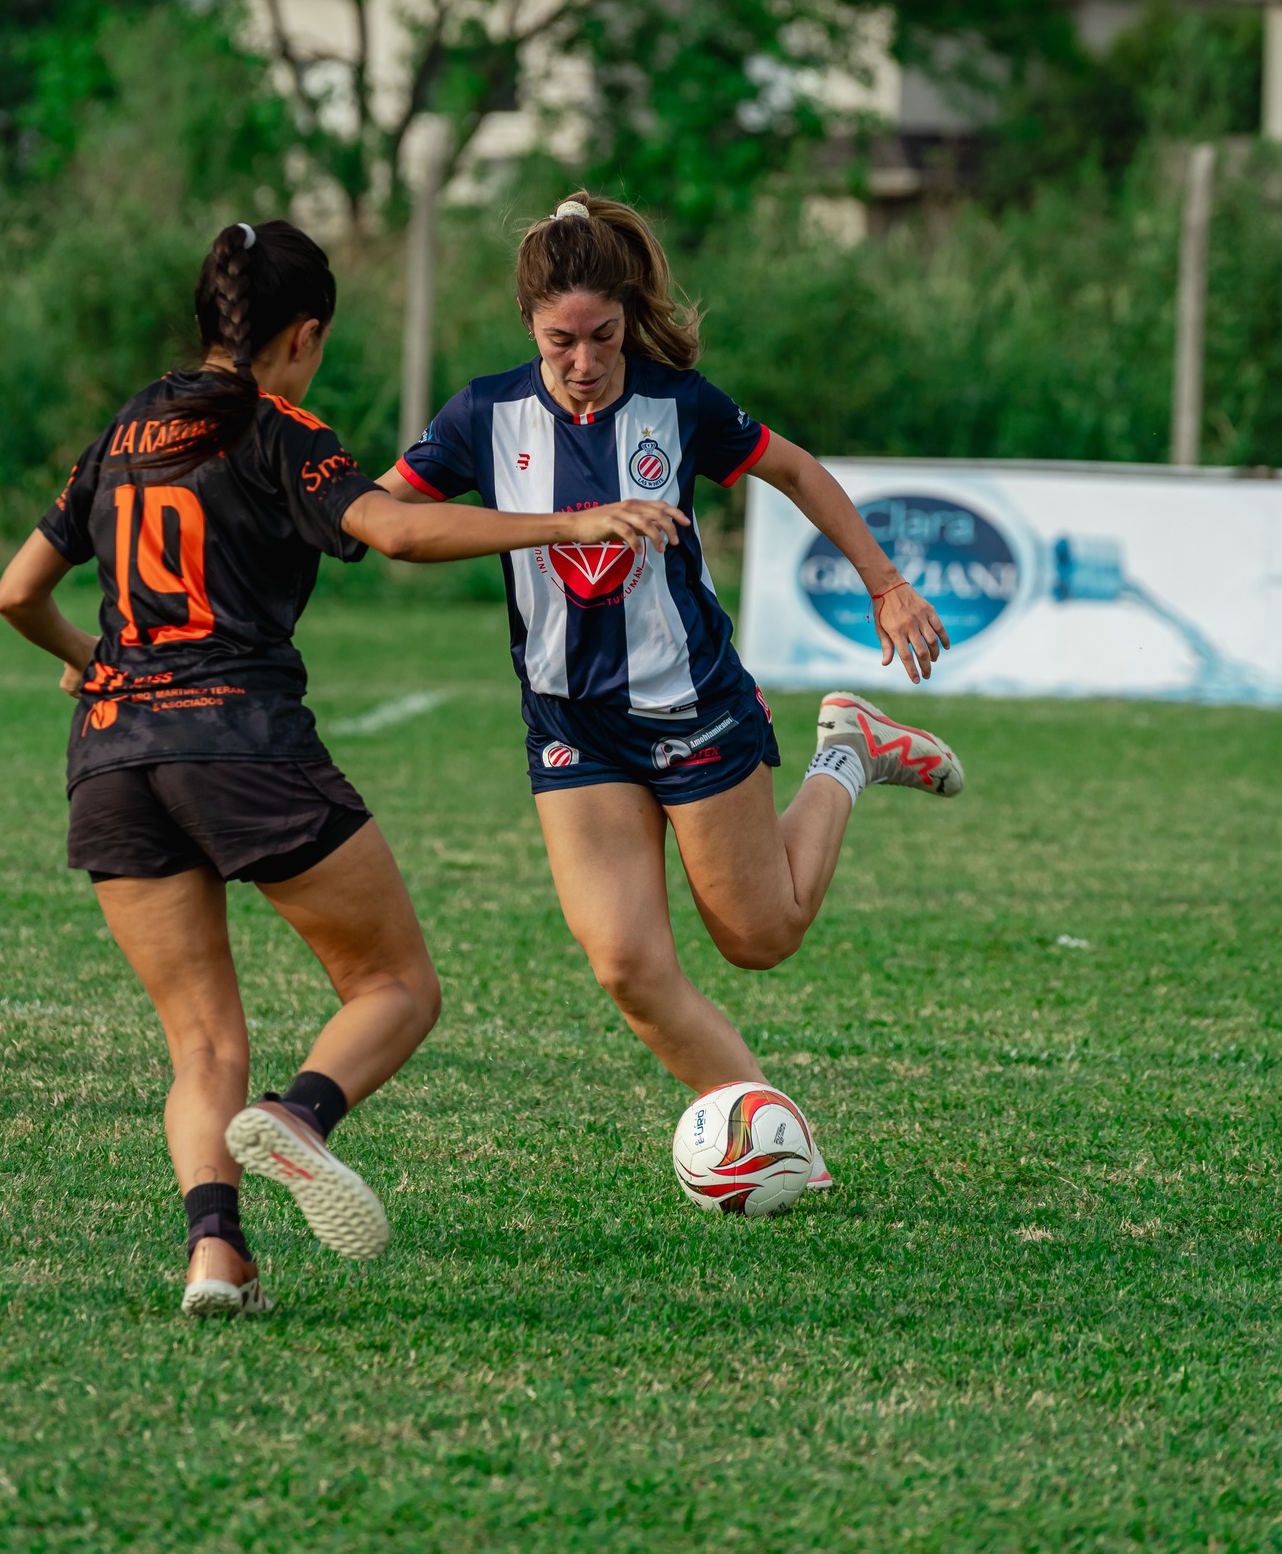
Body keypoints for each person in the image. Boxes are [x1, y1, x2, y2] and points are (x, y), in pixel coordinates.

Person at [0, 219, 681, 1314]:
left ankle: (216, 1254)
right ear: (304, 335)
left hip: (113, 756)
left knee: (200, 1041)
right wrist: (573, 520)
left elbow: (16, 592)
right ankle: (300, 1112)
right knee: (396, 987)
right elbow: (396, 532)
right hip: (238, 743)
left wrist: (93, 661)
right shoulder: (280, 431)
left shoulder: (123, 430)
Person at [380, 192, 965, 1187]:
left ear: (627, 318)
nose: (584, 360)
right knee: (627, 964)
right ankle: (779, 1148)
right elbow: (386, 521)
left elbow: (795, 471)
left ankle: (848, 753)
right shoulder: (483, 415)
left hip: (691, 707)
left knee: (760, 937)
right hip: (571, 724)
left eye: (603, 335)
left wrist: (885, 583)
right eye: (561, 340)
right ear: (527, 323)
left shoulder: (677, 405)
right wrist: (560, 525)